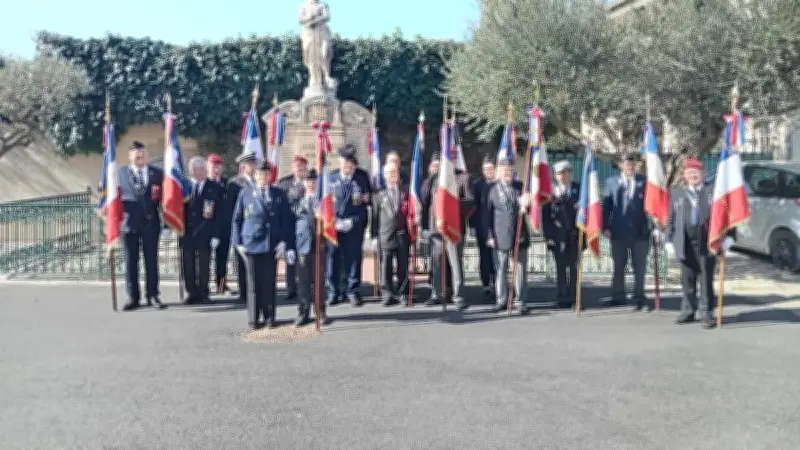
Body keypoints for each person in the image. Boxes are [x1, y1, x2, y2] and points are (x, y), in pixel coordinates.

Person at [665, 158, 735, 329]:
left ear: (703, 174)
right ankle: (688, 310)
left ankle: (707, 313)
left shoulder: (713, 192)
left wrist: (730, 236)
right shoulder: (677, 194)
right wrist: (669, 239)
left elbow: (727, 215)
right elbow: (671, 219)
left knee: (705, 280)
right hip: (685, 244)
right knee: (687, 280)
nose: (693, 175)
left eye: (696, 172)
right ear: (685, 176)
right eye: (689, 173)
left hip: (706, 244)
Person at [231, 161, 295, 329]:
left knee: (269, 283)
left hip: (271, 244)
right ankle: (253, 318)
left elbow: (286, 220)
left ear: (270, 176)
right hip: (251, 243)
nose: (263, 177)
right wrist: (237, 242)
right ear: (255, 175)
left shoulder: (278, 193)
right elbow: (237, 220)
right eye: (260, 174)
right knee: (253, 283)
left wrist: (283, 242)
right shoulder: (245, 193)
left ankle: (269, 316)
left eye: (266, 174)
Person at [117, 141, 167, 311]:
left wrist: (167, 225)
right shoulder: (119, 173)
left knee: (151, 261)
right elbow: (110, 197)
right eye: (137, 155)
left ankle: (153, 294)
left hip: (151, 224)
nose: (140, 157)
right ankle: (133, 297)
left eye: (143, 154)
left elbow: (165, 201)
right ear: (130, 156)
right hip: (129, 224)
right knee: (131, 262)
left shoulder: (157, 173)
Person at [420, 152, 472, 311]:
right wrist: (424, 228)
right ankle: (436, 294)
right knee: (436, 264)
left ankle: (458, 295)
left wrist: (453, 205)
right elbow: (424, 204)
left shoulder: (462, 178)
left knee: (456, 264)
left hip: (454, 229)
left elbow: (470, 201)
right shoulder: (433, 180)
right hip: (436, 229)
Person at [602, 152, 652, 310]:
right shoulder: (611, 182)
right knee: (618, 266)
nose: (630, 166)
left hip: (640, 232)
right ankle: (618, 295)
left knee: (640, 267)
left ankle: (639, 296)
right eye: (627, 164)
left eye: (632, 164)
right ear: (621, 165)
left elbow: (651, 204)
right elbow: (606, 207)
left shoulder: (644, 181)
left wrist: (655, 225)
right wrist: (605, 227)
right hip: (618, 232)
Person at [326, 145, 372, 307]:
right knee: (333, 259)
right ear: (339, 162)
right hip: (334, 226)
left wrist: (352, 221)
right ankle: (333, 291)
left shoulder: (362, 177)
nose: (349, 166)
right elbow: (325, 204)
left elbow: (368, 200)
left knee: (354, 258)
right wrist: (334, 222)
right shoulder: (330, 178)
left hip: (355, 225)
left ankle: (353, 291)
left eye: (352, 163)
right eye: (346, 163)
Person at [485, 156, 531, 315]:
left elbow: (531, 211)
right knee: (501, 269)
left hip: (520, 234)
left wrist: (527, 204)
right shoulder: (492, 190)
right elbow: (487, 216)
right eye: (504, 170)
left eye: (510, 170)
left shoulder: (521, 187)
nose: (507, 173)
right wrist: (490, 236)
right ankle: (502, 300)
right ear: (499, 172)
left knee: (520, 270)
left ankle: (520, 301)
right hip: (500, 235)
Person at [180, 156, 223, 305]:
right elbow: (175, 209)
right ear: (190, 171)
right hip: (186, 232)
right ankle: (191, 292)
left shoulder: (215, 187)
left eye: (201, 169)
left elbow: (218, 214)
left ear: (206, 170)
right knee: (188, 264)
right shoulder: (184, 187)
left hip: (206, 232)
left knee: (204, 264)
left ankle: (204, 292)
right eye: (195, 169)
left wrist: (216, 235)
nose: (198, 172)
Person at [293, 169, 331, 326]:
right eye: (308, 181)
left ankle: (320, 311)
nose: (311, 184)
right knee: (303, 282)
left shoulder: (323, 202)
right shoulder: (298, 202)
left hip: (318, 246)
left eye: (314, 181)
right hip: (302, 246)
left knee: (319, 282)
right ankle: (303, 312)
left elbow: (329, 223)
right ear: (304, 183)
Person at [371, 163, 412, 306]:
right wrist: (374, 237)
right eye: (389, 172)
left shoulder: (405, 192)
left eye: (394, 172)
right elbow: (375, 219)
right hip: (385, 235)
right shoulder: (378, 196)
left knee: (403, 266)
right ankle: (387, 294)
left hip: (402, 234)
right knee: (385, 266)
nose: (393, 175)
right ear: (384, 175)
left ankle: (403, 294)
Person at [542, 160, 581, 309]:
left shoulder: (578, 189)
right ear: (556, 175)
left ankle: (575, 298)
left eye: (568, 173)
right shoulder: (550, 191)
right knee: (560, 269)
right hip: (558, 237)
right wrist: (548, 237)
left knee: (574, 269)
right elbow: (546, 217)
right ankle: (562, 297)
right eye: (561, 174)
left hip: (575, 236)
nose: (565, 176)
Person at [277, 155, 309, 302]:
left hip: (307, 227)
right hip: (290, 225)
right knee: (291, 257)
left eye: (303, 167)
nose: (300, 170)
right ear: (293, 168)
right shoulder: (284, 184)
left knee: (306, 257)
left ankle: (307, 287)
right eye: (298, 167)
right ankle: (291, 288)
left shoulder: (311, 182)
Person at [228, 150, 258, 303]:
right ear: (244, 166)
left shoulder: (258, 182)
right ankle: (244, 292)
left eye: (254, 163)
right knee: (242, 263)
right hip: (244, 228)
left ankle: (255, 290)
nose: (254, 166)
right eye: (251, 164)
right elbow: (232, 210)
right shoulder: (235, 183)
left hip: (256, 230)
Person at [471, 154, 497, 300]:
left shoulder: (499, 184)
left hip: (497, 226)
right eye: (486, 169)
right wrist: (473, 225)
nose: (488, 172)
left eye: (491, 169)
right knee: (484, 256)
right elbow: (474, 207)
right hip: (482, 226)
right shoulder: (478, 184)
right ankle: (486, 283)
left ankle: (497, 282)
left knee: (497, 257)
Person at [207, 153, 233, 294]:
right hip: (208, 227)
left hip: (223, 227)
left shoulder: (227, 183)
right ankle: (204, 284)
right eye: (213, 166)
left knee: (222, 258)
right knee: (204, 258)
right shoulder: (204, 183)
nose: (216, 169)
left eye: (218, 166)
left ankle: (221, 284)